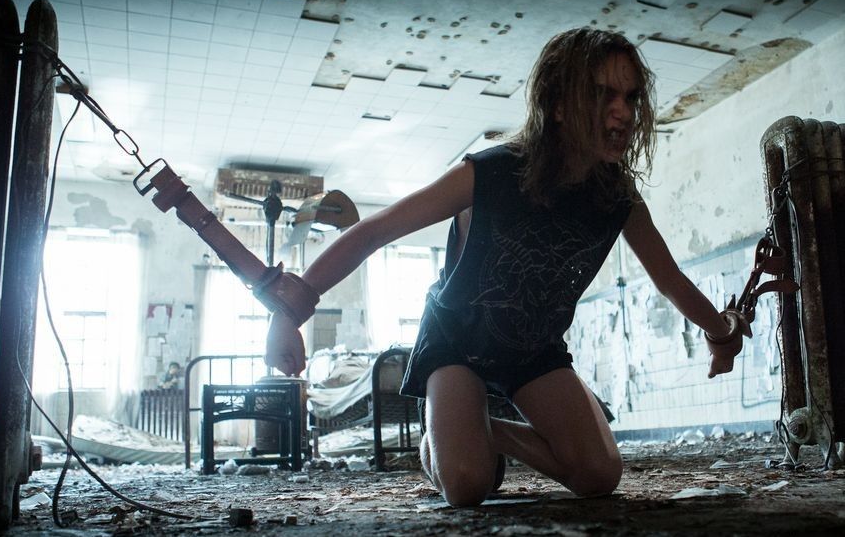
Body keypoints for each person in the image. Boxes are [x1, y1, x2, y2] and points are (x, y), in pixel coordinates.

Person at [264, 28, 746, 507]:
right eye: (602, 95)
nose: (622, 111)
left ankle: (483, 432)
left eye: (631, 97)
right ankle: (447, 442)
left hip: (533, 347)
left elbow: (669, 279)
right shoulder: (491, 173)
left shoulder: (618, 197)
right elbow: (375, 231)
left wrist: (722, 332)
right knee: (467, 485)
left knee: (599, 475)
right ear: (559, 106)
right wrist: (287, 314)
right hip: (457, 341)